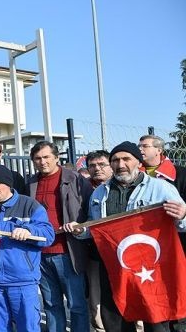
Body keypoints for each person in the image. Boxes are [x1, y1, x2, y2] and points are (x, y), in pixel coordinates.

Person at [71, 141, 186, 332]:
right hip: (114, 265)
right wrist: (81, 230)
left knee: (155, 318)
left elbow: (181, 226)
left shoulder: (161, 188)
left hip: (151, 267)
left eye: (126, 159)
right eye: (115, 160)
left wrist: (182, 215)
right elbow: (95, 227)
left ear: (138, 162)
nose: (120, 164)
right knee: (115, 318)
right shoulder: (100, 193)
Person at [0, 165, 54, 332]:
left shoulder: (29, 205)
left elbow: (48, 235)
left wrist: (29, 231)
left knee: (27, 327)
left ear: (9, 184)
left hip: (22, 282)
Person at [27, 141, 91, 332]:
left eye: (46, 157)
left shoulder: (76, 180)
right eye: (37, 158)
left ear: (56, 157)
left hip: (68, 252)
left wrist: (80, 229)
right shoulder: (30, 183)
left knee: (76, 305)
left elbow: (90, 212)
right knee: (51, 304)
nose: (42, 162)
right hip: (40, 253)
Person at [84, 149, 112, 332]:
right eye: (92, 165)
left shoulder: (124, 186)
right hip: (94, 252)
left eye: (102, 164)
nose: (97, 169)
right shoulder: (83, 188)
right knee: (96, 299)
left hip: (122, 252)